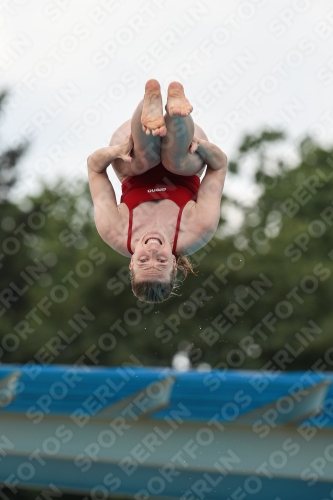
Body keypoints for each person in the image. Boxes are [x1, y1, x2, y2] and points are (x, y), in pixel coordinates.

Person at [87, 79, 227, 303]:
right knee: (175, 163)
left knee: (145, 159)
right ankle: (176, 113)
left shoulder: (114, 231)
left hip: (132, 159)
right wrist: (202, 146)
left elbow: (94, 168)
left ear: (131, 263)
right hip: (185, 157)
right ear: (173, 263)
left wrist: (116, 151)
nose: (152, 251)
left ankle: (149, 103)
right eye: (161, 262)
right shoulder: (198, 230)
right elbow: (218, 166)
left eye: (143, 262)